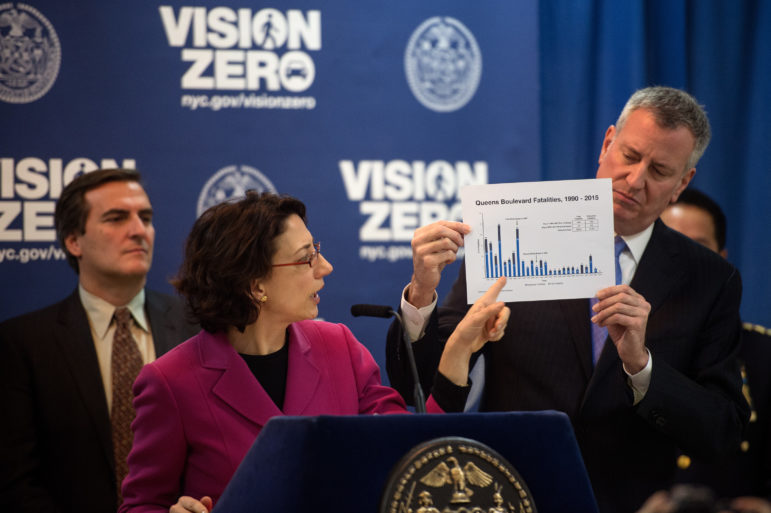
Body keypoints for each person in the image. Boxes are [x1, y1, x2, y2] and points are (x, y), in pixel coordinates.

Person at [385, 86, 749, 513]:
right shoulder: (514, 227)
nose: (636, 181)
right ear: (606, 143)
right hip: (511, 493)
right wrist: (422, 293)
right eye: (630, 156)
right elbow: (421, 381)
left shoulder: (710, 279)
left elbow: (722, 430)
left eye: (660, 170)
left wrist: (641, 367)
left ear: (682, 183)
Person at [119, 191, 510, 513]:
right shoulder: (170, 381)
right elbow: (141, 505)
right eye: (307, 257)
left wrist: (457, 352)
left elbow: (413, 454)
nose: (326, 266)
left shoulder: (338, 346)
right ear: (255, 284)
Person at [0, 169, 198, 513]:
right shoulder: (21, 345)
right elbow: (15, 482)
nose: (139, 230)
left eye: (145, 218)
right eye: (117, 218)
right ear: (73, 240)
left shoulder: (197, 327)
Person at [660, 187, 771, 511]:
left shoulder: (763, 356)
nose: (683, 261)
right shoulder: (609, 351)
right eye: (667, 245)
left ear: (720, 261)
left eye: (697, 248)